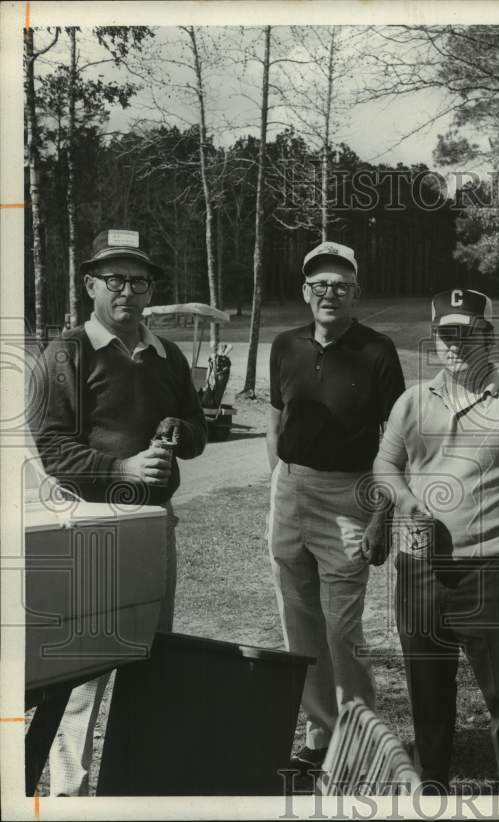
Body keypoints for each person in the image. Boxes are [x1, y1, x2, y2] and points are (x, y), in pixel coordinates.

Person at [30, 228, 207, 796]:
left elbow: (199, 432)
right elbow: (50, 446)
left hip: (155, 526)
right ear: (90, 286)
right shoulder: (67, 353)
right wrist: (122, 469)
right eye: (115, 279)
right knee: (82, 674)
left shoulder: (167, 354)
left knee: (150, 654)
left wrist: (181, 431)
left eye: (139, 279)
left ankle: (132, 785)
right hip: (88, 526)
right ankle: (68, 792)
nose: (128, 290)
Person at [372, 289, 499, 792]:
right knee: (427, 696)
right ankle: (431, 788)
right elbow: (386, 464)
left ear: (488, 336)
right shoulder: (413, 400)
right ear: (435, 340)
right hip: (419, 571)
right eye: (446, 334)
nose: (456, 344)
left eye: (468, 333)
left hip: (490, 572)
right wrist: (403, 498)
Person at [267, 240, 405, 775]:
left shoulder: (377, 350)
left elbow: (398, 440)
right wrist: (277, 482)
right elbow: (277, 421)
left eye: (341, 285)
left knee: (342, 630)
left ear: (356, 291)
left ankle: (361, 740)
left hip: (351, 494)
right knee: (297, 623)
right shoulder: (284, 345)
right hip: (291, 489)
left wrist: (381, 515)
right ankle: (319, 735)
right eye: (320, 285)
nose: (331, 293)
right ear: (305, 292)